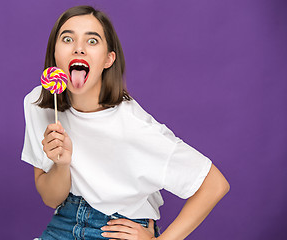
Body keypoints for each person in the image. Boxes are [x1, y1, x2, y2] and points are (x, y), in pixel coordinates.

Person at [22, 5, 230, 240]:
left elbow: (214, 184)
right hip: (64, 221)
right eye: (68, 39)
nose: (78, 48)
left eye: (92, 41)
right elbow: (51, 199)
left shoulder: (134, 126)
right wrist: (62, 164)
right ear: (55, 53)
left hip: (116, 228)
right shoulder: (38, 105)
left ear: (108, 59)